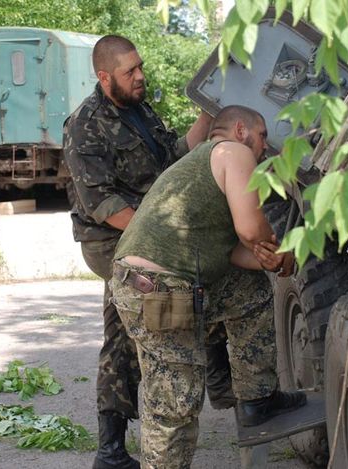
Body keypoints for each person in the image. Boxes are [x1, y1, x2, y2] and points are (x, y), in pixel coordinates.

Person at [110, 105, 307, 468]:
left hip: (152, 283)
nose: (266, 146)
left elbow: (231, 252)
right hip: (160, 290)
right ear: (241, 130)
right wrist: (283, 252)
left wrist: (269, 261)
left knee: (250, 291)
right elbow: (251, 230)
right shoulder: (234, 152)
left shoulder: (204, 165)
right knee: (175, 405)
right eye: (263, 135)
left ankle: (257, 399)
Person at [62, 35, 216, 469]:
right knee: (140, 319)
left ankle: (111, 450)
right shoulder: (85, 124)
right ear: (104, 76)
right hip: (110, 238)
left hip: (146, 230)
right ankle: (113, 447)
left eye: (140, 66)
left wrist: (210, 112)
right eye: (129, 71)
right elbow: (102, 204)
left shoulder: (140, 110)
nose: (140, 76)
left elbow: (174, 158)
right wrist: (159, 236)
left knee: (123, 328)